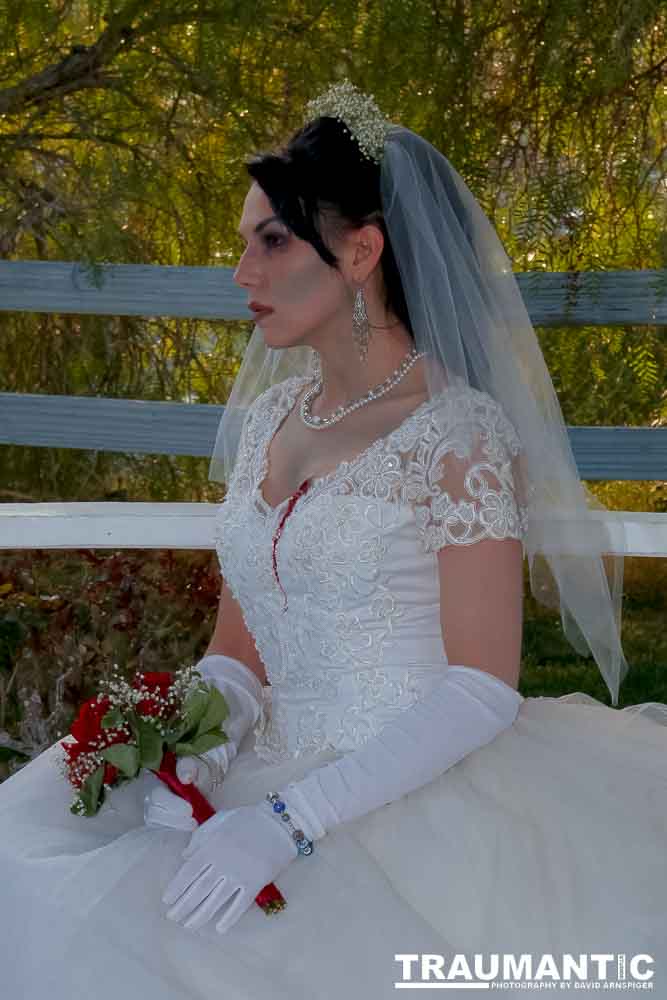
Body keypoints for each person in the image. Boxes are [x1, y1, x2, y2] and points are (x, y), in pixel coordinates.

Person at [0, 80, 665, 999]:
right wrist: (198, 750)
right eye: (243, 244)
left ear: (361, 251)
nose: (244, 272)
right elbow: (239, 650)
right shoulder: (272, 420)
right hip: (262, 768)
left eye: (271, 241)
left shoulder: (457, 433)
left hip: (407, 791)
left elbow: (480, 686)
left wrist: (289, 820)